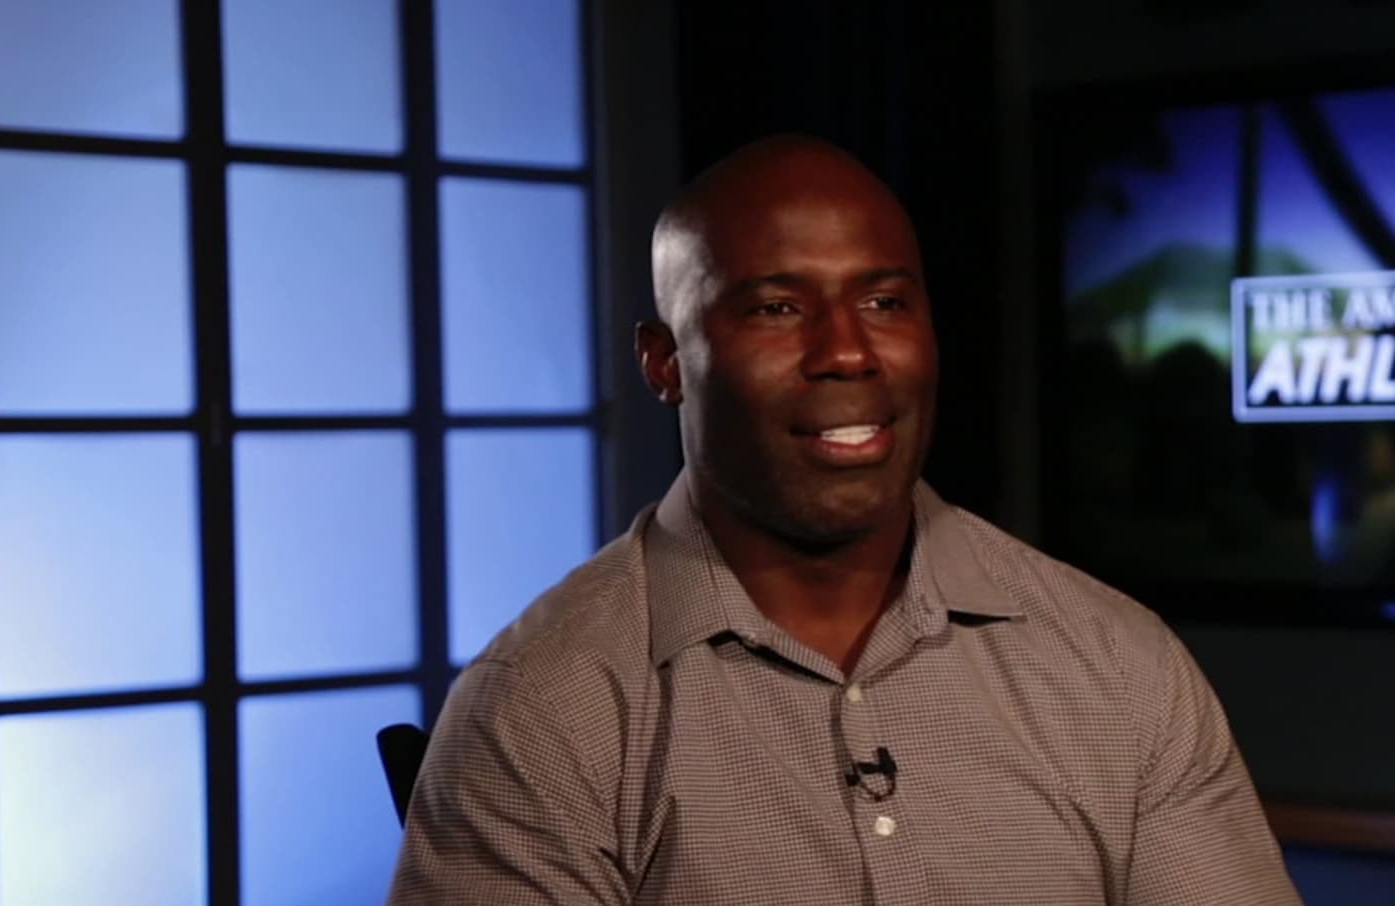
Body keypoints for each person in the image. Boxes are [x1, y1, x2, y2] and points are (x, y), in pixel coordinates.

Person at [386, 135, 1300, 904]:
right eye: (778, 308)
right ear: (665, 363)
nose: (847, 352)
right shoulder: (545, 710)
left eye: (883, 303)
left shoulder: (1121, 667)